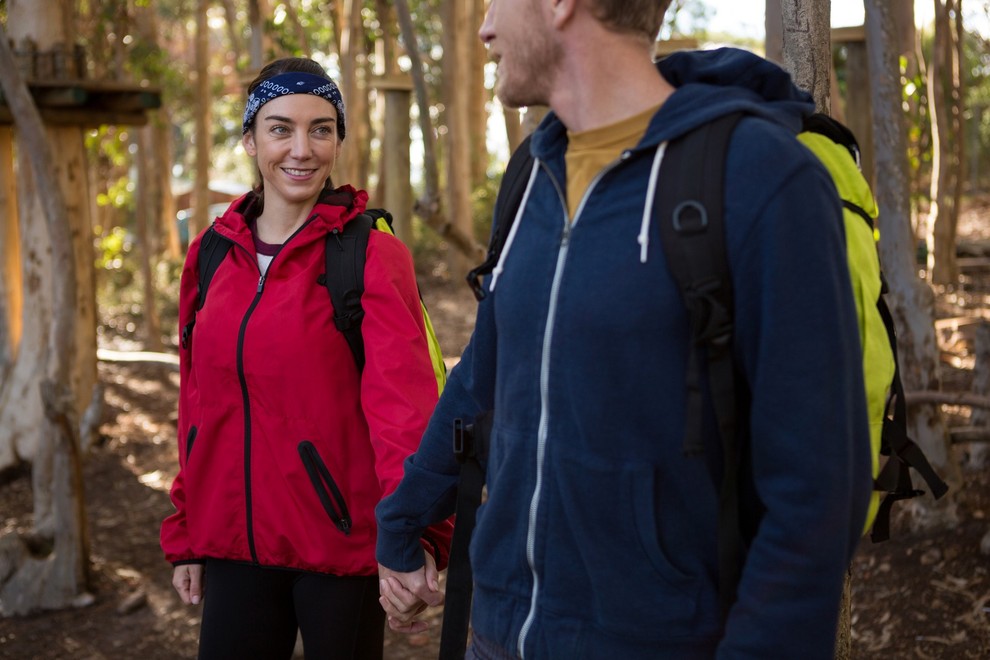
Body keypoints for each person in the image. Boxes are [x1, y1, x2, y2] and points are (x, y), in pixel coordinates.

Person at [375, 1, 873, 658]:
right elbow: (489, 376)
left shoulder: (760, 176)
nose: (485, 27)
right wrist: (403, 521)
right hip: (497, 633)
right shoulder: (534, 171)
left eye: (496, 1)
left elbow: (815, 492)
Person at [160, 57, 452, 660]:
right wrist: (187, 529)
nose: (302, 148)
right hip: (234, 547)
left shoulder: (370, 254)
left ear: (339, 141)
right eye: (280, 127)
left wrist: (416, 534)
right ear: (249, 140)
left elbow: (407, 409)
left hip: (339, 550)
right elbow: (197, 402)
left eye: (321, 128)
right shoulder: (210, 255)